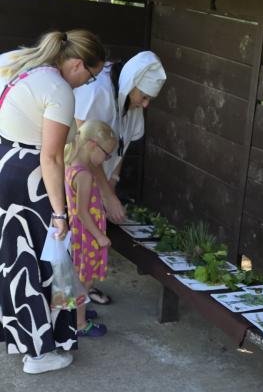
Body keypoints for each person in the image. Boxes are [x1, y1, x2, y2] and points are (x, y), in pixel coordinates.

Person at [0, 29, 105, 374]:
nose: (86, 84)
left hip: (6, 167)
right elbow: (52, 157)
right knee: (42, 266)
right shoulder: (58, 88)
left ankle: (21, 339)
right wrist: (60, 214)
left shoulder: (21, 67)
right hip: (30, 182)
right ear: (77, 65)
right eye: (90, 76)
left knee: (15, 263)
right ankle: (40, 354)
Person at [73, 50, 166, 301]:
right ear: (131, 85)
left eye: (149, 99)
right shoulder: (97, 92)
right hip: (76, 175)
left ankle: (83, 290)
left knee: (90, 236)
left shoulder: (130, 101)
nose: (145, 104)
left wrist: (112, 183)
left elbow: (123, 146)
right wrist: (107, 195)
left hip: (97, 178)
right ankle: (72, 298)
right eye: (144, 97)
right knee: (78, 236)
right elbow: (85, 149)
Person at [64, 121, 117, 338]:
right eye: (106, 154)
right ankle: (80, 324)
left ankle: (77, 312)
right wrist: (100, 236)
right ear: (93, 145)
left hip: (78, 234)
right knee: (84, 280)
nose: (106, 159)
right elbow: (82, 212)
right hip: (86, 236)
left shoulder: (71, 164)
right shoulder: (84, 175)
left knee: (78, 276)